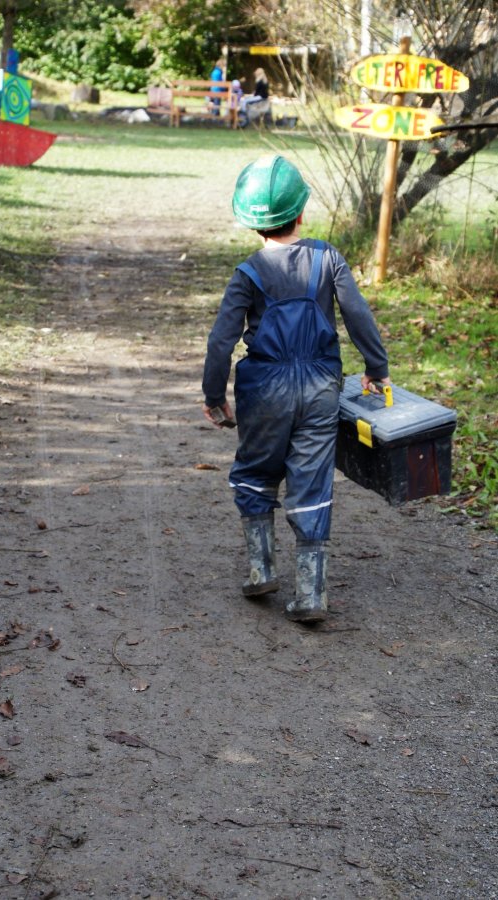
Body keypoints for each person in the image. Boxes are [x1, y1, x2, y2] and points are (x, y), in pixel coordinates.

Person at [202, 155, 390, 623]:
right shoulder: (329, 259)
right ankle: (310, 593)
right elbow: (357, 314)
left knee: (255, 470)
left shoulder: (247, 273)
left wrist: (214, 395)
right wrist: (377, 367)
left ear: (250, 222)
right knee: (311, 478)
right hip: (321, 385)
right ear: (301, 212)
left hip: (264, 388)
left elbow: (221, 340)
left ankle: (261, 568)